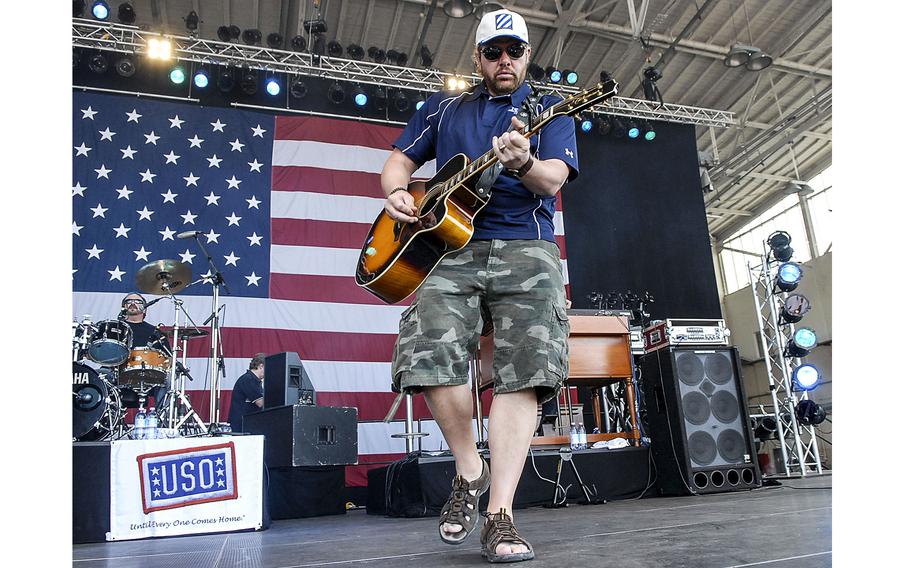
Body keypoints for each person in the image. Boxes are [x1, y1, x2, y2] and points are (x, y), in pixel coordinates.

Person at [382, 8, 577, 564]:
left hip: (527, 249)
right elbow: (399, 160)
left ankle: (500, 514)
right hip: (450, 248)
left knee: (526, 370)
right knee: (428, 354)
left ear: (528, 55)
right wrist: (397, 192)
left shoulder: (550, 109)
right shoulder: (444, 107)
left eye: (514, 50)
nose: (505, 60)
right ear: (478, 57)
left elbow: (553, 179)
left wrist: (523, 162)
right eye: (494, 52)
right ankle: (470, 469)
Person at [228, 353, 265, 432]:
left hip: (248, 423)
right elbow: (260, 402)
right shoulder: (248, 379)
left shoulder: (254, 381)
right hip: (241, 424)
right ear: (261, 366)